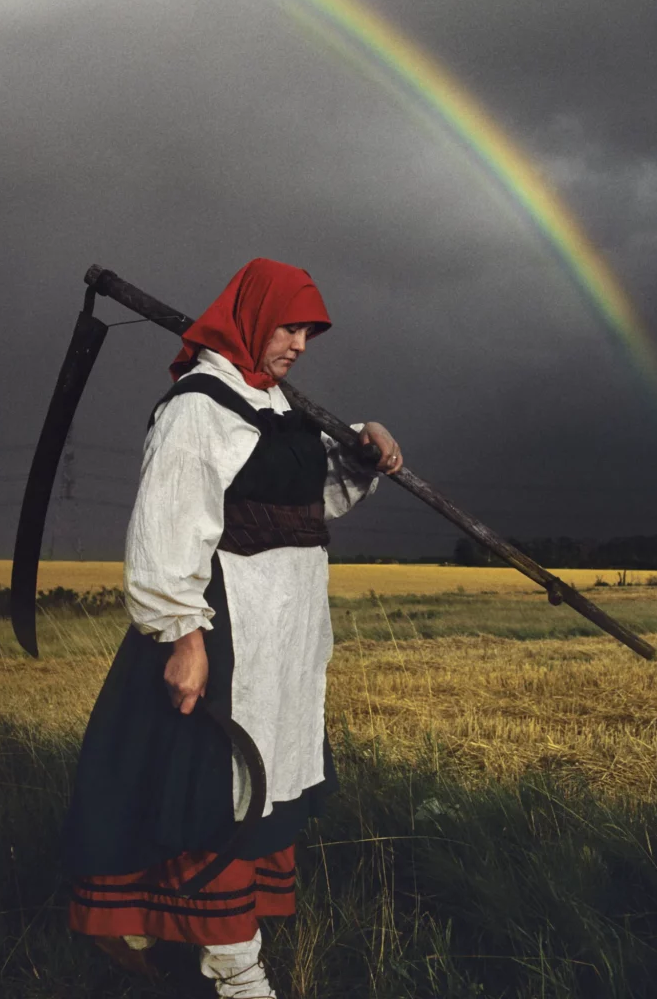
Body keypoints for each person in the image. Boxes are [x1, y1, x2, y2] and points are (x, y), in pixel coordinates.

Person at [61, 258, 402, 998]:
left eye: (309, 330)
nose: (302, 343)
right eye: (290, 326)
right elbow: (165, 529)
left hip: (281, 640)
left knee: (242, 787)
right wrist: (184, 636)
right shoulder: (198, 409)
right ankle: (234, 970)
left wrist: (362, 448)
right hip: (226, 633)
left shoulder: (276, 404)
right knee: (214, 797)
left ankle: (149, 927)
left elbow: (303, 507)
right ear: (251, 319)